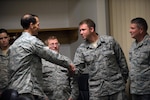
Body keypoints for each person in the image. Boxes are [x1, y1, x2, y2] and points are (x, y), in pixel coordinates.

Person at [8, 13, 75, 100]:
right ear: (31, 25)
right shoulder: (32, 41)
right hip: (27, 90)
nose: (39, 27)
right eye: (38, 24)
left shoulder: (15, 44)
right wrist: (69, 64)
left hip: (15, 90)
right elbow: (50, 55)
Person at [73, 18, 129, 100]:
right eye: (80, 30)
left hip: (116, 89)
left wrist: (122, 80)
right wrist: (71, 69)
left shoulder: (109, 41)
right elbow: (77, 69)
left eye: (83, 30)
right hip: (97, 92)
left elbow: (121, 61)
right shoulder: (81, 49)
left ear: (92, 29)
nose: (81, 33)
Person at [42, 36, 79, 100]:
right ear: (47, 47)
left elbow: (74, 80)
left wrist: (73, 97)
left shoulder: (66, 61)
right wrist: (43, 97)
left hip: (65, 97)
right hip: (48, 97)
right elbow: (37, 82)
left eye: (56, 44)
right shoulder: (41, 62)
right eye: (52, 44)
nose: (55, 46)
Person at [129, 17, 150, 100]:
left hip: (147, 90)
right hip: (134, 90)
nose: (130, 31)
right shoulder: (133, 45)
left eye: (132, 28)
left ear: (141, 30)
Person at [0, 28, 10, 97]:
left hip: (16, 88)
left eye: (5, 37)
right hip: (2, 89)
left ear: (9, 38)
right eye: (1, 38)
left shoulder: (16, 51)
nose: (4, 40)